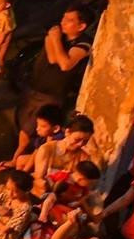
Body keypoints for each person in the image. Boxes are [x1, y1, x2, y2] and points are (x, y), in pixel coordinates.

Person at [15, 7, 93, 142]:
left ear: (81, 26)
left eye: (69, 20)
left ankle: (23, 156)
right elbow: (52, 58)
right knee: (23, 121)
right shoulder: (60, 35)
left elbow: (65, 65)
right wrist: (57, 45)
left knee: (36, 128)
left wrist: (55, 39)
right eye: (63, 18)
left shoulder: (83, 44)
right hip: (36, 85)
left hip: (52, 93)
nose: (63, 22)